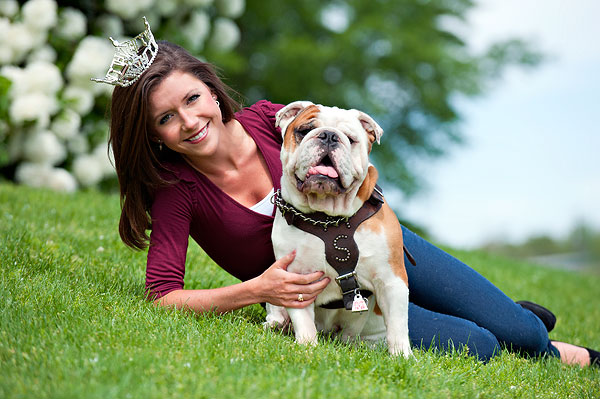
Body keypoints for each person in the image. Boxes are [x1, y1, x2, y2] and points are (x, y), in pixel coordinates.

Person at [99, 24, 598, 367]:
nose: (189, 121)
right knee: (482, 347)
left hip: (388, 251)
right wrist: (257, 291)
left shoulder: (279, 122)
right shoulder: (177, 191)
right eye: (165, 117)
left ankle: (528, 325)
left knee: (523, 334)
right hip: (345, 300)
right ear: (153, 133)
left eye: (191, 99)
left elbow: (351, 153)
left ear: (210, 90)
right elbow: (163, 296)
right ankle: (510, 329)